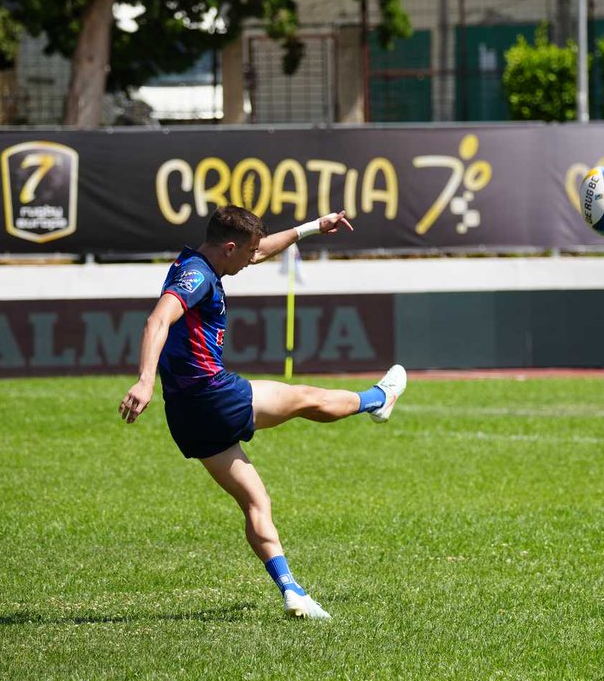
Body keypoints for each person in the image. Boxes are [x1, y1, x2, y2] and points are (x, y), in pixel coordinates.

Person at [119, 205, 406, 621]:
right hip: (216, 396)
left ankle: (292, 591)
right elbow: (157, 320)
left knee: (256, 502)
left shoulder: (198, 262)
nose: (255, 258)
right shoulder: (198, 277)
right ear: (230, 247)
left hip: (184, 416)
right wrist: (144, 379)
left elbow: (258, 249)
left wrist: (311, 227)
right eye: (249, 252)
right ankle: (378, 400)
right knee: (308, 398)